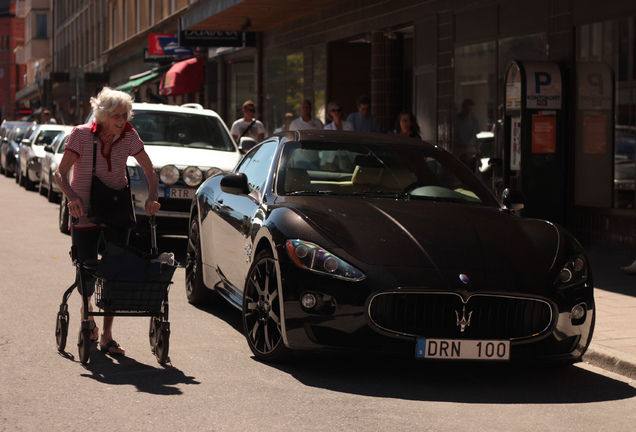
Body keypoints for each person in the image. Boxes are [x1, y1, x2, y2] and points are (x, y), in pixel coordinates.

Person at [55, 87, 161, 356]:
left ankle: (107, 336)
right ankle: (86, 313)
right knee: (87, 268)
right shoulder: (80, 135)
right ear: (101, 115)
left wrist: (152, 195)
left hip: (116, 209)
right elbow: (60, 174)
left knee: (116, 270)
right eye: (116, 115)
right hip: (85, 210)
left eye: (125, 114)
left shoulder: (128, 135)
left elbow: (149, 168)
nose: (122, 119)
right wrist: (71, 197)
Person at [454, 98, 480, 165]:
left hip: (471, 148)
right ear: (463, 108)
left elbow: (475, 137)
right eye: (468, 109)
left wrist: (477, 151)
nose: (469, 112)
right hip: (460, 148)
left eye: (471, 110)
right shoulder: (457, 120)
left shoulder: (474, 119)